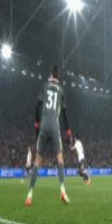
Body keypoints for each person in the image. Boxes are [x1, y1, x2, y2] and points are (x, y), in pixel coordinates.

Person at [26, 65, 72, 206]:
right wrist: (68, 130)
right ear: (58, 77)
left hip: (44, 125)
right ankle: (62, 190)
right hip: (55, 127)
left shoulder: (45, 86)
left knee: (37, 161)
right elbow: (64, 114)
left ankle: (29, 195)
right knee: (60, 160)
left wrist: (36, 122)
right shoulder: (61, 91)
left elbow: (37, 105)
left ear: (51, 75)